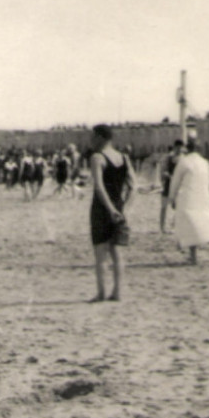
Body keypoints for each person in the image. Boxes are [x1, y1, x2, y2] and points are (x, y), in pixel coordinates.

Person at [88, 125, 134, 301]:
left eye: (92, 137)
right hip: (119, 207)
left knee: (100, 252)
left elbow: (99, 187)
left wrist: (110, 209)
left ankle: (101, 293)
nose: (91, 140)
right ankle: (118, 292)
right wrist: (125, 209)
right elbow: (134, 186)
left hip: (102, 208)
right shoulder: (124, 157)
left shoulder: (97, 157)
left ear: (100, 137)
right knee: (116, 251)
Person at [168, 139, 209, 265]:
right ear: (199, 149)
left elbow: (175, 181)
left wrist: (172, 197)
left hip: (188, 198)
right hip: (202, 198)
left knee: (189, 225)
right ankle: (195, 254)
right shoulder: (205, 163)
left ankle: (193, 256)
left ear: (187, 148)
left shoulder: (184, 161)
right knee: (199, 222)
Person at [159, 140, 185, 233]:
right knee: (164, 206)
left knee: (178, 207)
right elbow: (163, 170)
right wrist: (169, 176)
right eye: (177, 147)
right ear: (174, 147)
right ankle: (162, 227)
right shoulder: (168, 157)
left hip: (178, 186)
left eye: (180, 148)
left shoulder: (184, 159)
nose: (179, 149)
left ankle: (174, 226)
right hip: (168, 184)